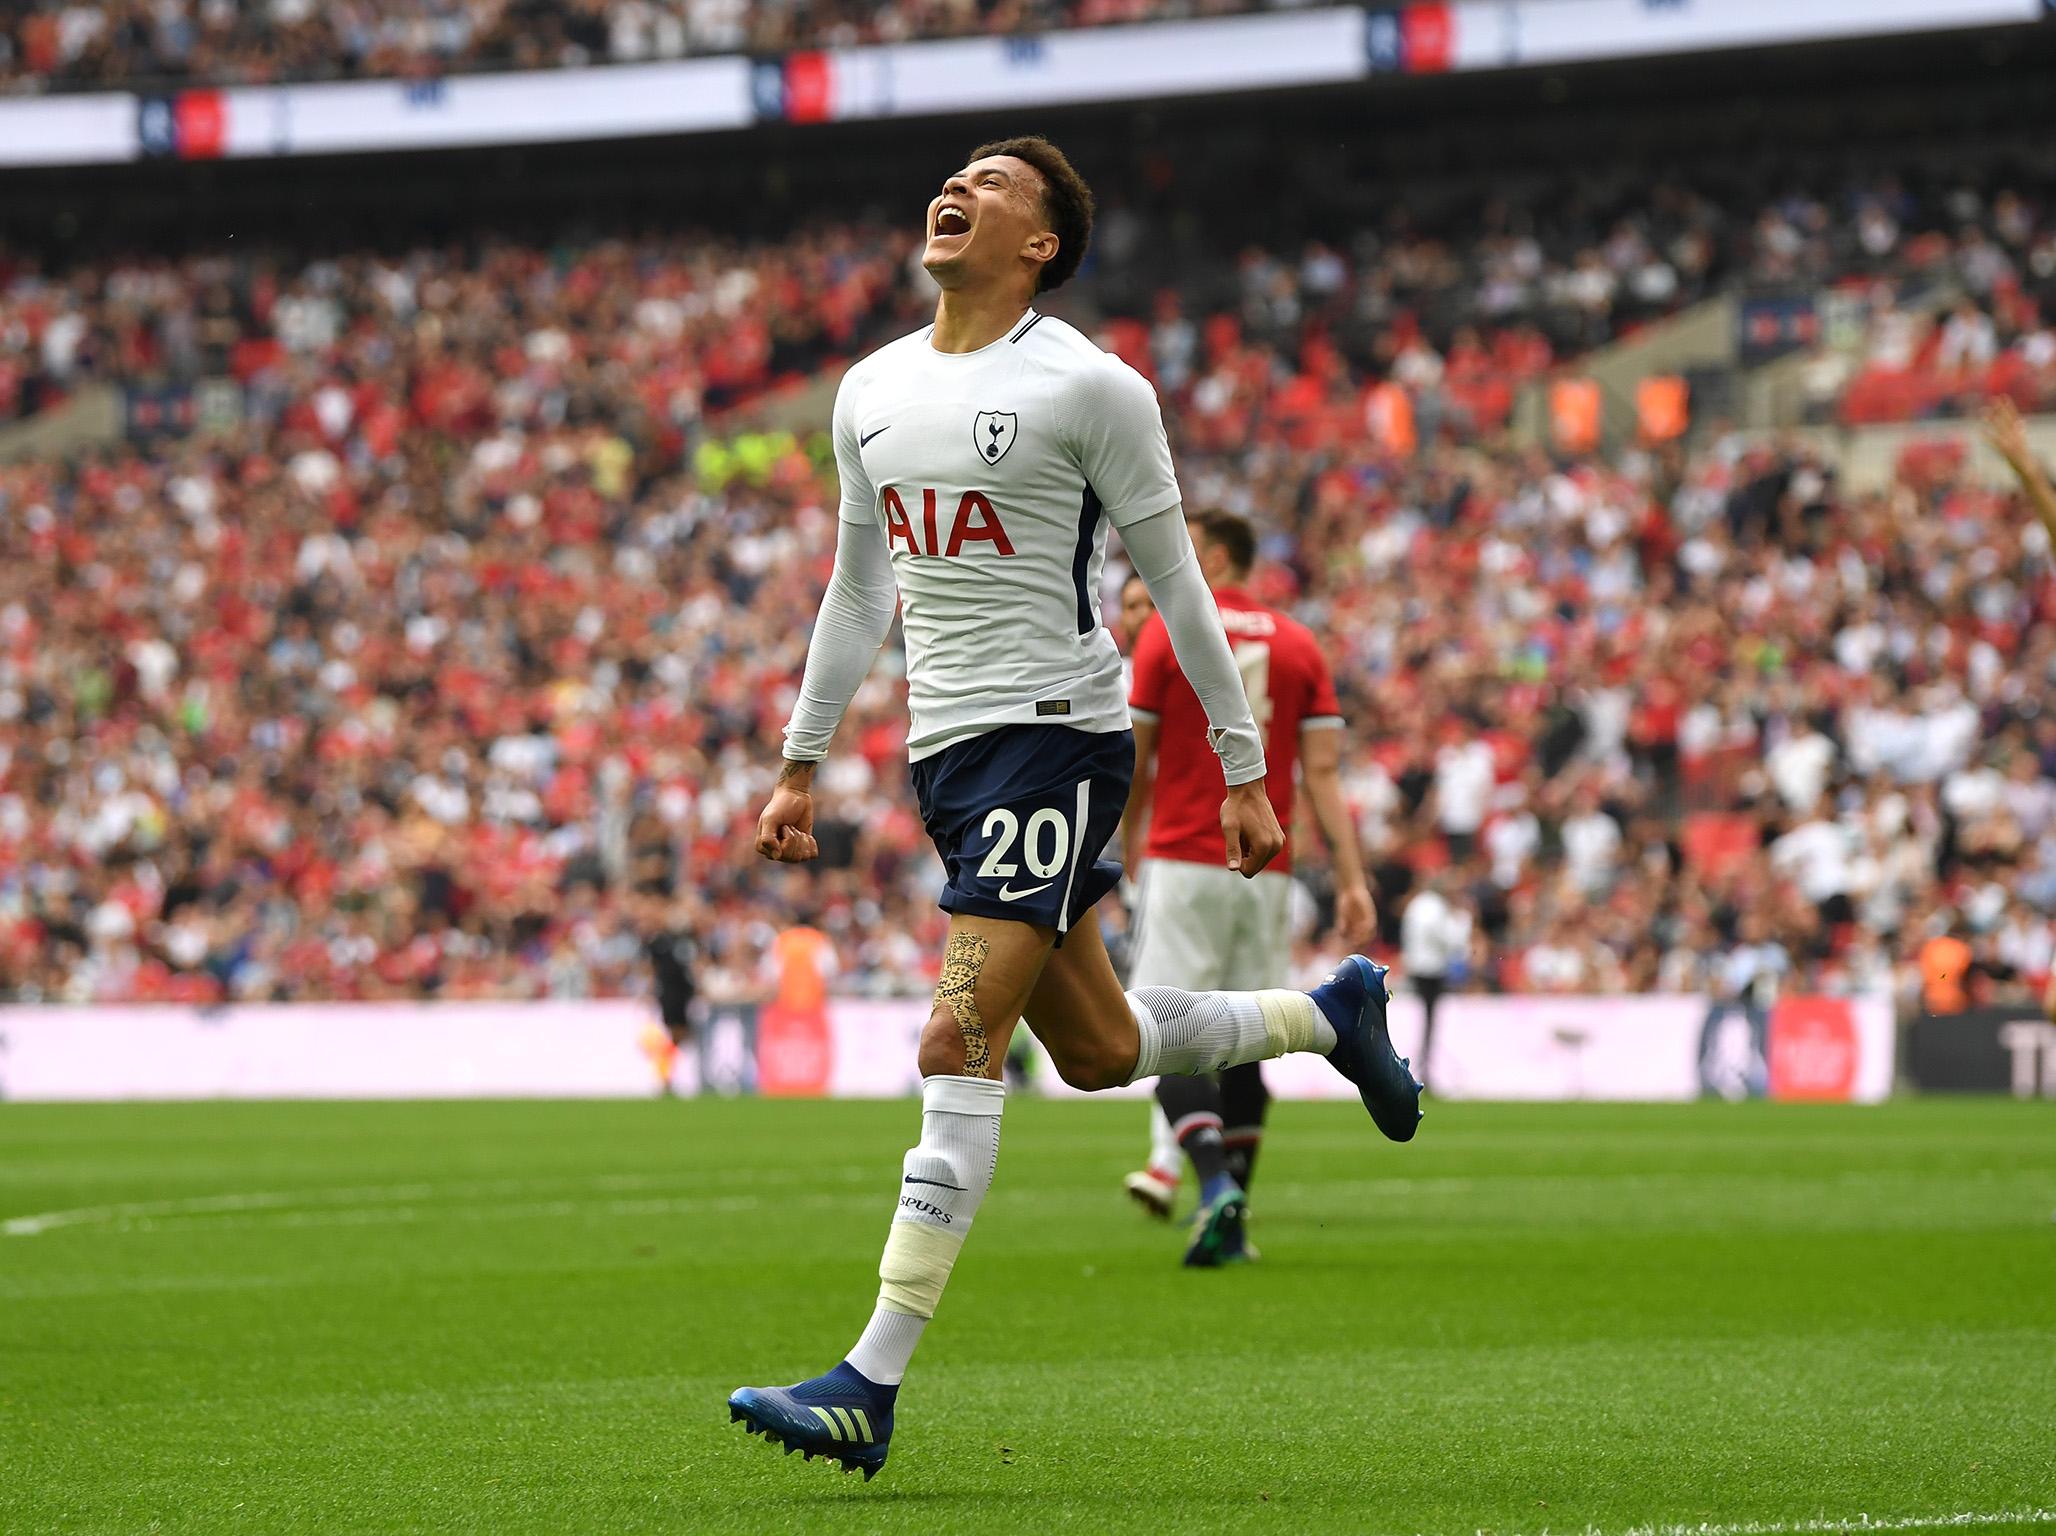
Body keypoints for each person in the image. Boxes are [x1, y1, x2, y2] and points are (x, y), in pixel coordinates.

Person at [726, 135, 1421, 1480]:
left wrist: (1237, 764)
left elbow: (1179, 579)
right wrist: (802, 758)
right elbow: (861, 589)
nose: (958, 189)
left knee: (958, 1032)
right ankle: (1326, 1015)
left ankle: (869, 1381)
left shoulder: (1091, 388)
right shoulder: (868, 390)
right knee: (1099, 1051)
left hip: (1056, 737)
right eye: (957, 176)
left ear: (1040, 242)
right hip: (949, 756)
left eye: (993, 185)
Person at [1118, 510, 1377, 1264]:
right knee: (1241, 1042)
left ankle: (1211, 1191)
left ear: (1219, 553)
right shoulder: (1299, 642)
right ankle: (1230, 1214)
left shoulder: (1167, 629)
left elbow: (1137, 760)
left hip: (1183, 858)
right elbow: (1323, 773)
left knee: (1157, 1034)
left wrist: (1123, 852)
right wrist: (1352, 880)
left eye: (1189, 541)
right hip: (1268, 868)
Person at [1399, 869, 1472, 1087]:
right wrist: (1463, 922)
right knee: (1429, 1020)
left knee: (1424, 1019)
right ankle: (1426, 1070)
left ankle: (1422, 1068)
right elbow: (1448, 938)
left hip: (1416, 967)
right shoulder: (1435, 907)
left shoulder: (1417, 905)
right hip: (1431, 970)